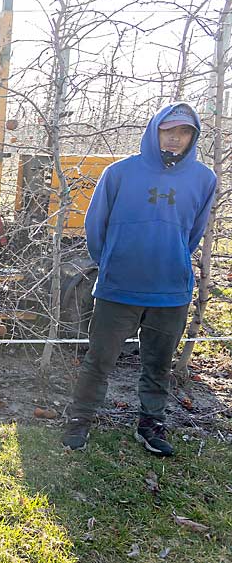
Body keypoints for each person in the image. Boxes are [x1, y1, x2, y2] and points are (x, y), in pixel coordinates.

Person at [62, 102, 216, 456]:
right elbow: (94, 227)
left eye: (184, 132)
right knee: (98, 360)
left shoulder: (204, 179)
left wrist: (171, 257)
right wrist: (114, 264)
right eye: (169, 131)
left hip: (171, 292)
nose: (176, 139)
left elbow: (193, 233)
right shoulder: (119, 173)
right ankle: (80, 421)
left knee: (158, 365)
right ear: (154, 131)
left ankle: (150, 425)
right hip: (119, 288)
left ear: (193, 137)